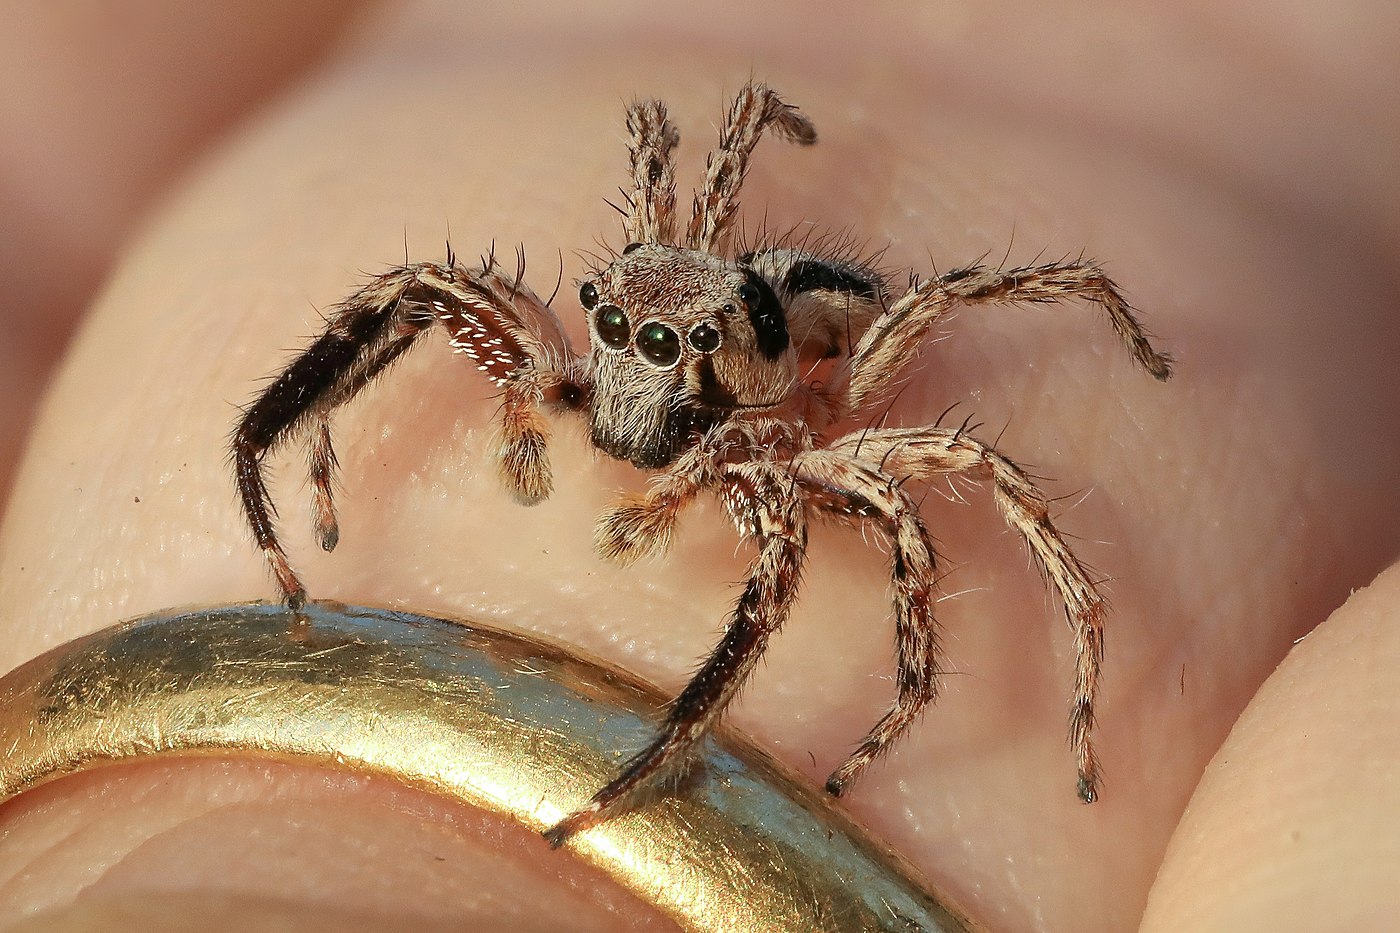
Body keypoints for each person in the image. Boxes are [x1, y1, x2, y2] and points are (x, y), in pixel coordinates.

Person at [2, 2, 1397, 930]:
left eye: (650, 344)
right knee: (425, 285)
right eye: (615, 332)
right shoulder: (599, 332)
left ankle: (811, 721)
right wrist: (286, 440)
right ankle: (279, 451)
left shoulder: (793, 427)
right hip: (724, 296)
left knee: (948, 472)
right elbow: (465, 281)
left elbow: (907, 509)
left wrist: (917, 694)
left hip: (806, 369)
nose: (620, 369)